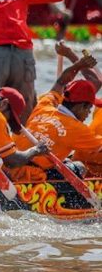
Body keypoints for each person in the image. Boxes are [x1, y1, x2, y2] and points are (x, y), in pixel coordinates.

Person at [9, 54, 102, 182]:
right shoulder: (76, 128)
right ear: (81, 107)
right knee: (79, 167)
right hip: (32, 176)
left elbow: (61, 82)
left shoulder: (44, 105)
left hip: (7, 167)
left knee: (66, 160)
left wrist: (78, 65)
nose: (88, 114)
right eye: (89, 109)